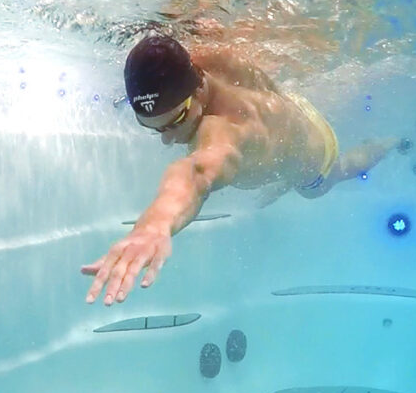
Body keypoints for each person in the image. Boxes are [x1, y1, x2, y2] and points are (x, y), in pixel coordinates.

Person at [81, 35, 396, 306]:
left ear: (199, 91)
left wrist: (154, 226)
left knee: (329, 179)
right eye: (149, 125)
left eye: (175, 121)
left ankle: (389, 142)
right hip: (289, 110)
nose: (166, 139)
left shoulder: (226, 131)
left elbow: (194, 174)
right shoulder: (203, 58)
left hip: (316, 153)